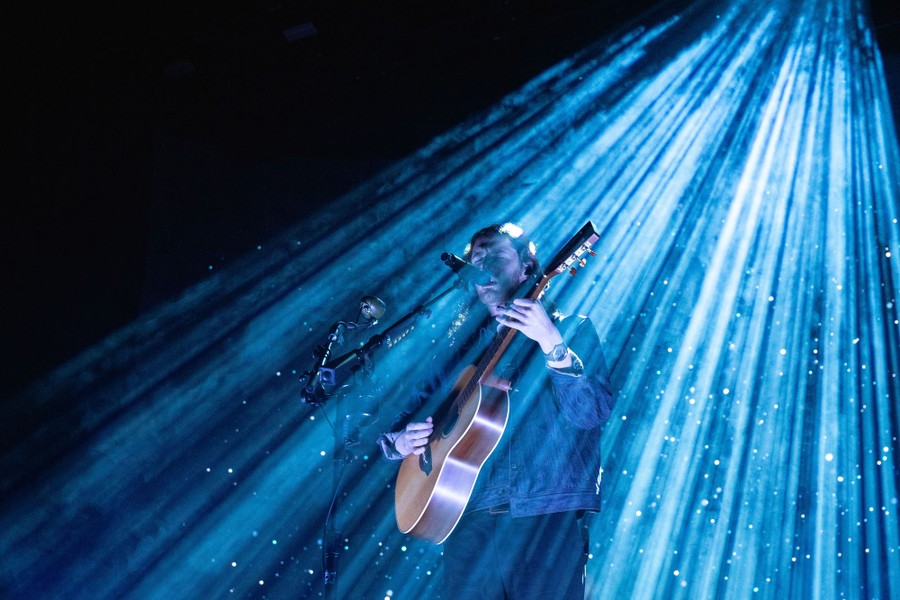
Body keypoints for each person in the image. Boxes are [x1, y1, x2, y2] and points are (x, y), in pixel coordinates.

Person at [377, 223, 613, 599]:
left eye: (495, 255)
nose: (482, 265)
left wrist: (551, 343)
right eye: (475, 260)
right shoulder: (460, 350)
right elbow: (400, 423)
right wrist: (401, 441)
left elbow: (592, 413)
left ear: (527, 266)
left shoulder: (570, 329)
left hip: (544, 517)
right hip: (467, 522)